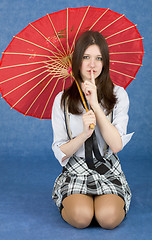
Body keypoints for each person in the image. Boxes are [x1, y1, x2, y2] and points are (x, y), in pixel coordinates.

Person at [51, 30, 133, 229]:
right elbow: (60, 151)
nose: (92, 65)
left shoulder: (119, 95)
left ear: (105, 62)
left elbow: (116, 145)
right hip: (76, 169)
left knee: (108, 219)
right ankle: (73, 199)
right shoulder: (62, 101)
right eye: (86, 57)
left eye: (99, 58)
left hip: (108, 168)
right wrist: (84, 135)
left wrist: (96, 106)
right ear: (77, 60)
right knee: (81, 218)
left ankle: (105, 199)